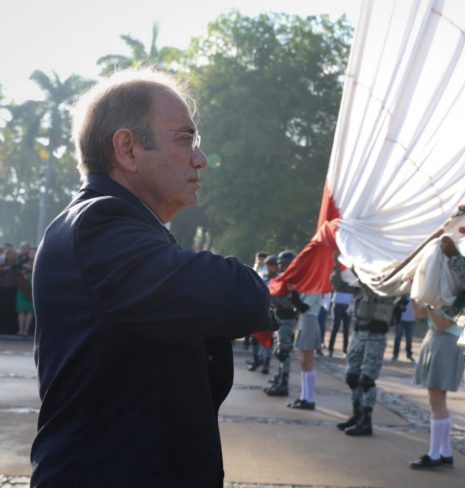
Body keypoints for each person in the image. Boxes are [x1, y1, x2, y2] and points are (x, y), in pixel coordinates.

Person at [30, 69, 275, 487]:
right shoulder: (100, 224)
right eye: (185, 140)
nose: (200, 158)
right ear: (127, 149)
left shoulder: (120, 228)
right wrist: (259, 286)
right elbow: (237, 299)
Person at [337, 282, 401, 436]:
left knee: (367, 380)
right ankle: (357, 415)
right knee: (352, 376)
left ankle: (366, 422)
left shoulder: (389, 285)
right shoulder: (362, 280)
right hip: (359, 332)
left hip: (375, 336)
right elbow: (344, 282)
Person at [409, 304, 465, 469]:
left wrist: (429, 304)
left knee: (436, 401)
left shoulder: (458, 296)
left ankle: (434, 454)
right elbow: (419, 314)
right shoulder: (441, 292)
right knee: (437, 401)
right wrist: (416, 293)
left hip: (445, 341)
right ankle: (445, 452)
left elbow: (442, 324)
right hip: (436, 340)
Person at [264, 249, 299, 396]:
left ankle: (284, 383)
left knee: (284, 352)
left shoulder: (294, 280)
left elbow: (291, 303)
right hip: (280, 318)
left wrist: (273, 299)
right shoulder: (282, 278)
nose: (282, 267)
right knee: (278, 351)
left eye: (285, 264)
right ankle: (280, 378)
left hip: (288, 319)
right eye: (281, 264)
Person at [287, 291, 323, 410]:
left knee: (308, 361)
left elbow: (303, 307)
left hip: (310, 322)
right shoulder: (308, 291)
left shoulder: (315, 291)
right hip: (304, 322)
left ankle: (309, 398)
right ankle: (304, 397)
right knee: (303, 362)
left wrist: (294, 294)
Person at [328, 262, 357, 356]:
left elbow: (357, 288)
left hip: (348, 304)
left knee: (346, 328)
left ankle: (345, 349)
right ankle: (330, 348)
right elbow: (335, 283)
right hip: (338, 303)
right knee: (335, 327)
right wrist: (338, 270)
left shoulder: (354, 273)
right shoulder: (338, 271)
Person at [392, 294, 416, 362]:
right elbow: (395, 304)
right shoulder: (402, 293)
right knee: (398, 337)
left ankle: (409, 355)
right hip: (401, 319)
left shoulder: (416, 295)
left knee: (409, 338)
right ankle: (395, 354)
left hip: (411, 320)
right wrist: (400, 304)